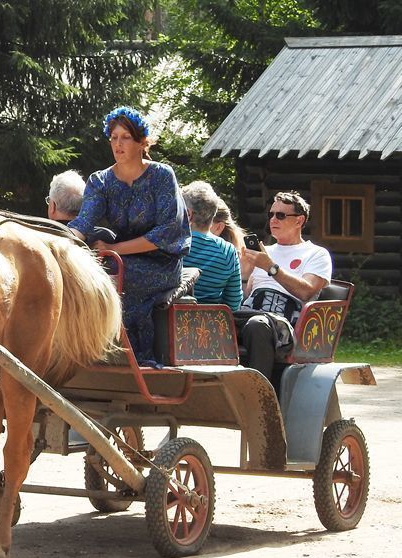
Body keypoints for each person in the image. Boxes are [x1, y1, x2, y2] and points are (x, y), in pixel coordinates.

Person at [67, 106, 191, 363]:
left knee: (117, 275)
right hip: (117, 259)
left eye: (125, 137)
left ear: (141, 142)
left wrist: (117, 250)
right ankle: (85, 350)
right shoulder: (100, 181)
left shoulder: (161, 175)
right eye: (113, 138)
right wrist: (58, 242)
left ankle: (134, 356)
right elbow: (83, 222)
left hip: (162, 263)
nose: (118, 144)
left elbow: (167, 231)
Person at [237, 190, 332, 387]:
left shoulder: (316, 254)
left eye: (280, 215)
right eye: (271, 214)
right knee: (214, 321)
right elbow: (247, 296)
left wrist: (270, 268)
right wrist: (245, 275)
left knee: (257, 325)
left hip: (285, 323)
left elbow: (307, 291)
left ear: (299, 221)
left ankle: (259, 396)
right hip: (250, 313)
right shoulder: (264, 253)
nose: (273, 219)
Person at [181, 181, 243, 310]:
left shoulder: (173, 243)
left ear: (188, 214)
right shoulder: (228, 251)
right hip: (211, 326)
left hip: (170, 321)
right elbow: (233, 304)